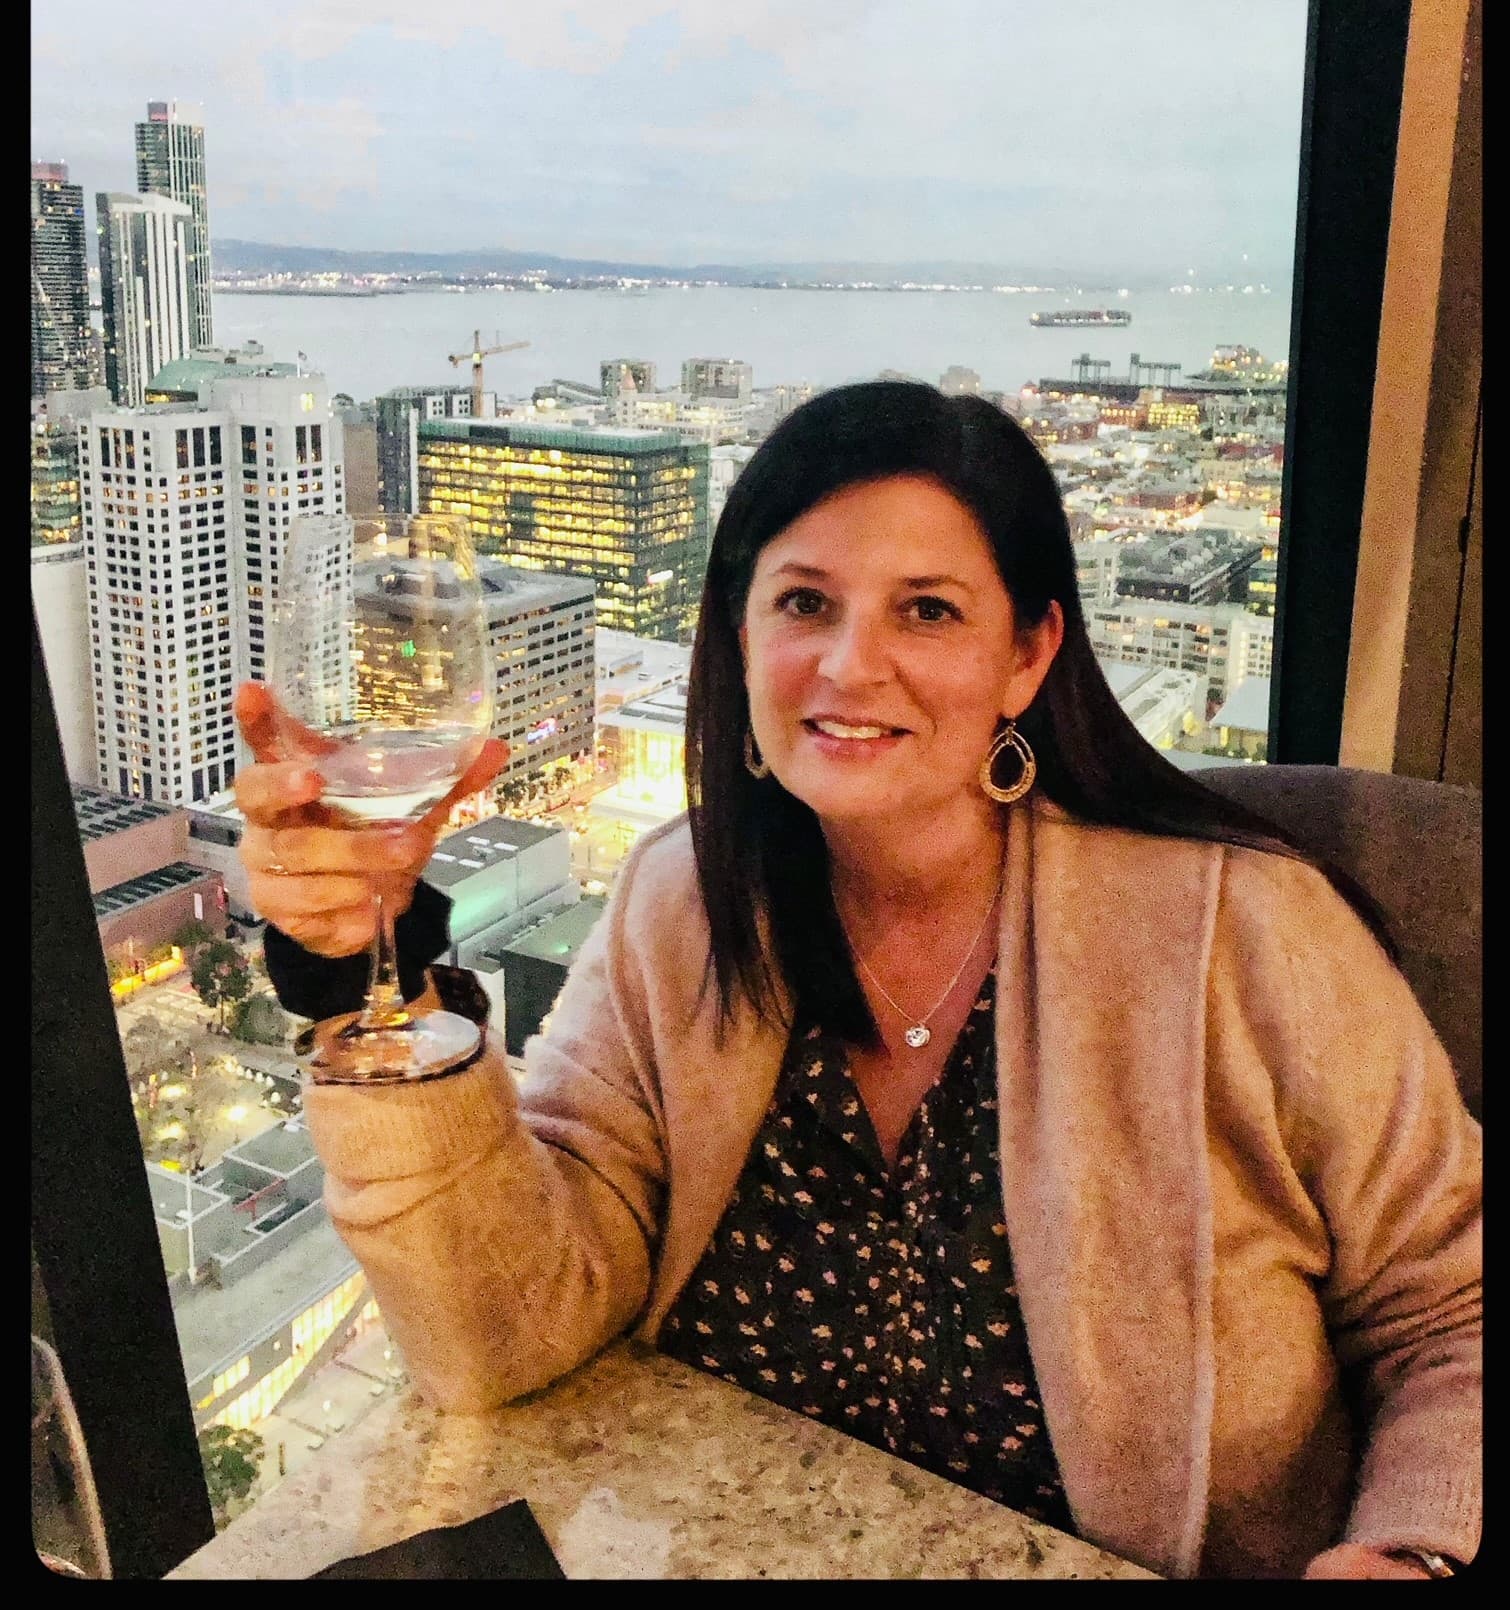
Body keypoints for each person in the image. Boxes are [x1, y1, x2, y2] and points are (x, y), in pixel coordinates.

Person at [234, 382, 1480, 1581]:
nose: (849, 664)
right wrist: (360, 970)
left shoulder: (1243, 934)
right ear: (740, 633)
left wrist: (1413, 1546)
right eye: (804, 602)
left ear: (1027, 654)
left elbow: (1454, 1304)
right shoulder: (684, 904)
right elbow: (505, 1324)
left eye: (926, 610)